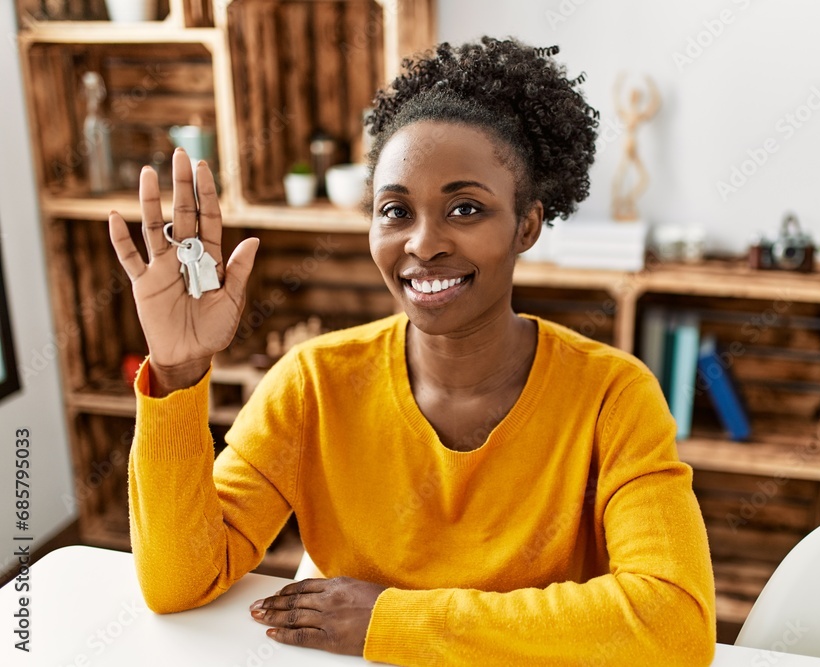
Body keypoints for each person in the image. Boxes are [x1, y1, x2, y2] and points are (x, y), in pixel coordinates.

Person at [109, 37, 716, 665]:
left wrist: (388, 619)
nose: (423, 244)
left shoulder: (613, 396)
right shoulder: (311, 384)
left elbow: (673, 625)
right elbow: (179, 583)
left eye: (465, 208)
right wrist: (179, 372)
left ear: (527, 225)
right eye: (395, 210)